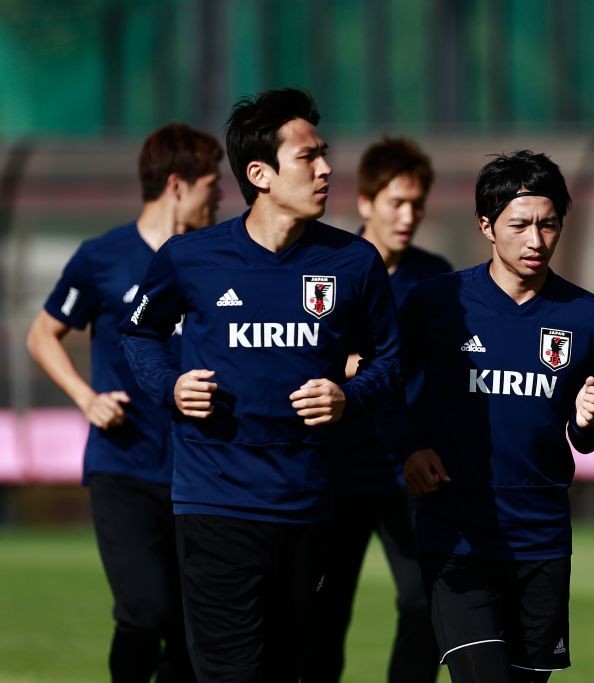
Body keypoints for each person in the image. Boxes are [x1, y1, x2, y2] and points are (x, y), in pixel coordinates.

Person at [120, 88, 401, 682]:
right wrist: (169, 387)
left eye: (325, 154)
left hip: (310, 508)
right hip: (214, 504)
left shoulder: (354, 262)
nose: (326, 169)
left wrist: (349, 397)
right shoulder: (189, 257)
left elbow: (390, 359)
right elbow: (138, 335)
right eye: (308, 157)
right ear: (260, 173)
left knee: (285, 672)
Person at [399, 150, 594, 682]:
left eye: (548, 224)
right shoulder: (439, 302)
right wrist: (408, 447)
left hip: (540, 541)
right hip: (458, 538)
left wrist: (592, 420)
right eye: (519, 225)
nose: (535, 241)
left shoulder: (587, 316)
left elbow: (591, 436)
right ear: (487, 226)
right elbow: (386, 388)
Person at [26, 122, 222, 682]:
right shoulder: (101, 257)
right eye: (213, 185)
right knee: (144, 611)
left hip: (200, 470)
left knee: (193, 629)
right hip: (125, 467)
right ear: (179, 185)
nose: (220, 200)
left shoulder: (214, 259)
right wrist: (86, 399)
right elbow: (42, 335)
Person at [304, 137, 449, 683]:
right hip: (335, 472)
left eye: (417, 204)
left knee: (423, 603)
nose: (407, 215)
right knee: (323, 616)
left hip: (405, 471)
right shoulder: (329, 267)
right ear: (365, 202)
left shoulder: (435, 279)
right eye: (396, 202)